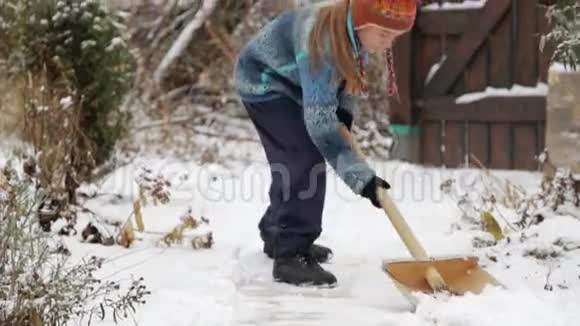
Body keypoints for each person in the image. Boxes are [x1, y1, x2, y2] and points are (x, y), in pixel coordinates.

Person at [233, 0, 417, 287]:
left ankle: (277, 232)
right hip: (264, 81)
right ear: (362, 21)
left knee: (296, 159)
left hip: (293, 81)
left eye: (394, 38)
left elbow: (346, 78)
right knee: (304, 159)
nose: (386, 45)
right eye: (383, 35)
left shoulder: (350, 31)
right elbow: (321, 127)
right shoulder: (321, 41)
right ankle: (291, 255)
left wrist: (342, 111)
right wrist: (362, 179)